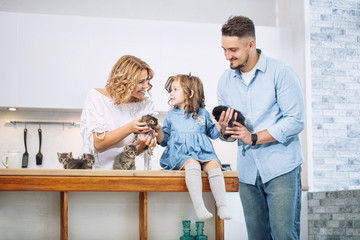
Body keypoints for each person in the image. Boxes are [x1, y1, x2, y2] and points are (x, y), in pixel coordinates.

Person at [217, 16, 305, 239]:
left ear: (251, 44)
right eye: (224, 49)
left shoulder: (281, 72)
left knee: (284, 235)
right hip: (248, 173)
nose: (227, 56)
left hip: (281, 169)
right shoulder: (225, 81)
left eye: (233, 49)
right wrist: (224, 130)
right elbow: (230, 136)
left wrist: (254, 137)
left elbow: (295, 120)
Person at [156, 73, 231, 221]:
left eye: (175, 89)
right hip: (181, 155)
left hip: (203, 152)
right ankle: (199, 206)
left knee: (215, 164)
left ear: (190, 93)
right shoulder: (171, 116)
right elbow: (165, 140)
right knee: (192, 164)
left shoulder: (202, 113)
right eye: (170, 90)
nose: (171, 93)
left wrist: (221, 127)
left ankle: (222, 206)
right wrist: (158, 131)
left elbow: (212, 133)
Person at [80, 55, 160, 169]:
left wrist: (143, 141)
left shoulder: (146, 104)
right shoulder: (96, 97)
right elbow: (98, 144)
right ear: (124, 81)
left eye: (147, 80)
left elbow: (135, 151)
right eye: (141, 81)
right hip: (94, 171)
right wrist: (130, 128)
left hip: (123, 171)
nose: (146, 86)